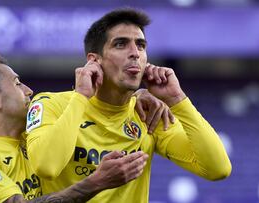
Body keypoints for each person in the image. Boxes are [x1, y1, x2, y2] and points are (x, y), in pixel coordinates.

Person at [25, 8, 232, 203]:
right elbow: (46, 167)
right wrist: (81, 97)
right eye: (121, 44)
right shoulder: (51, 104)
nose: (135, 53)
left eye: (141, 45)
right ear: (94, 60)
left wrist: (177, 99)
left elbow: (218, 168)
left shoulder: (148, 114)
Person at [0, 53, 172, 202]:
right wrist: (96, 182)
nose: (29, 90)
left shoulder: (33, 140)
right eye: (17, 83)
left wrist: (132, 97)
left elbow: (85, 110)